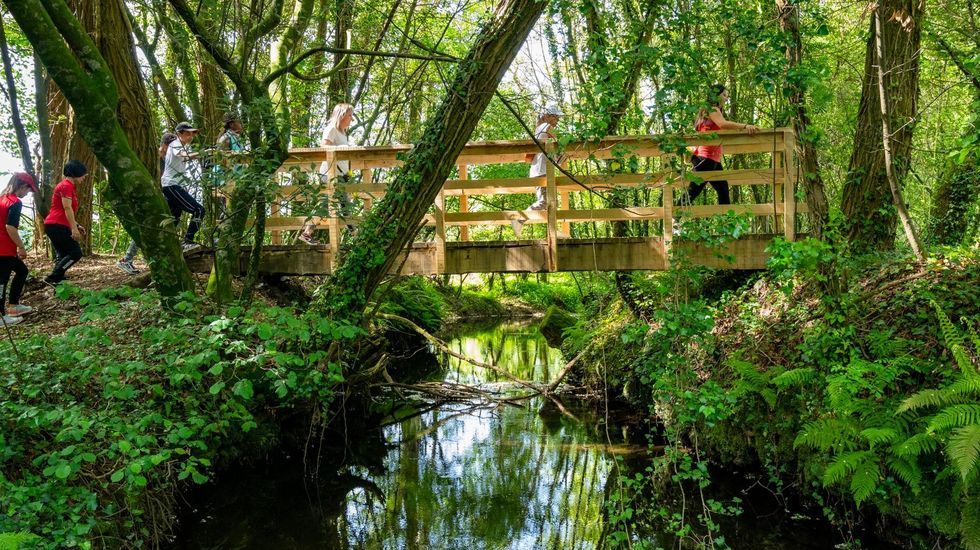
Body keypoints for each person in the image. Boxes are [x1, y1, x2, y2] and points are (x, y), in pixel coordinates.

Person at [686, 84, 758, 206]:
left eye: (727, 96)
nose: (726, 98)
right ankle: (674, 218)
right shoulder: (711, 109)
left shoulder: (710, 110)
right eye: (724, 95)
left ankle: (726, 222)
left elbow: (721, 127)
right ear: (716, 95)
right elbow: (722, 124)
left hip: (712, 159)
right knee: (693, 192)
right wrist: (745, 126)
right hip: (704, 158)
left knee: (723, 189)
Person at [117, 132, 178, 274]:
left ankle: (145, 258)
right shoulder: (153, 158)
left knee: (162, 224)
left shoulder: (168, 159)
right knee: (145, 227)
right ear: (164, 146)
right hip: (147, 196)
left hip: (161, 195)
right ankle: (127, 259)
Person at [299, 103, 355, 245]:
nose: (351, 119)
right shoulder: (331, 129)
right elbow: (324, 146)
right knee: (329, 203)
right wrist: (342, 147)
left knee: (344, 205)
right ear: (341, 115)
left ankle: (356, 234)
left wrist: (348, 172)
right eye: (349, 115)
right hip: (329, 173)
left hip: (340, 174)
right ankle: (307, 232)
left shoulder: (343, 132)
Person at [512, 102, 563, 238]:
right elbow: (559, 145)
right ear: (547, 116)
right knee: (545, 202)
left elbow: (550, 149)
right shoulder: (546, 127)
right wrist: (562, 155)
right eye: (556, 117)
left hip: (541, 170)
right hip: (542, 171)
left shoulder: (540, 128)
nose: (557, 120)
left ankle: (554, 232)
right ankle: (519, 219)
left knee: (551, 202)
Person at [0, 173, 38, 325]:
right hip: (4, 249)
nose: (27, 194)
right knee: (1, 282)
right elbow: (10, 227)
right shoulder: (14, 202)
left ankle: (14, 306)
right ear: (22, 186)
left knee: (22, 271)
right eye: (28, 190)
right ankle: (1, 316)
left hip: (6, 249)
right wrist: (21, 247)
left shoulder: (2, 198)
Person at [162, 122, 206, 251]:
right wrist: (205, 152)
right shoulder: (175, 144)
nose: (191, 136)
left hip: (174, 185)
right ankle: (187, 241)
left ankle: (165, 246)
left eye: (192, 133)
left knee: (173, 219)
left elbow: (187, 158)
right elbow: (185, 156)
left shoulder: (182, 146)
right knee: (199, 210)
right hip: (171, 185)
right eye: (187, 133)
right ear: (179, 134)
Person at [43, 160, 87, 286]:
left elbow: (65, 210)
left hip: (54, 224)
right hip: (57, 225)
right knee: (75, 253)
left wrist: (77, 225)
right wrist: (74, 229)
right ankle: (53, 276)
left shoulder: (68, 186)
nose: (84, 178)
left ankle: (58, 279)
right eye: (83, 175)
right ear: (76, 173)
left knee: (62, 254)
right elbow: (67, 208)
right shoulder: (66, 186)